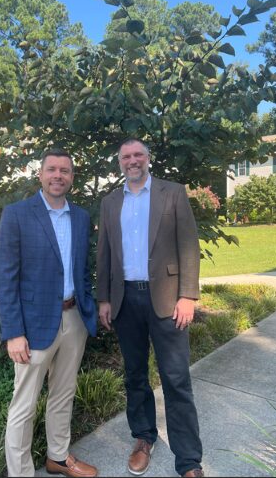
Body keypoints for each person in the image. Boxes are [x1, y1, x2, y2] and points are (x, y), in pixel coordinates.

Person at [97, 138, 204, 478]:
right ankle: (144, 438)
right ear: (120, 162)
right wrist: (104, 298)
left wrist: (188, 295)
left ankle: (188, 460)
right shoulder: (110, 202)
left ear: (148, 158)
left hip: (169, 300)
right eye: (126, 156)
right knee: (135, 375)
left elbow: (189, 244)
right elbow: (103, 254)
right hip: (126, 300)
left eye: (138, 154)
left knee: (176, 379)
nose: (132, 160)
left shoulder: (171, 193)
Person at [0, 149, 98, 478]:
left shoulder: (80, 217)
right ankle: (20, 473)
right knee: (23, 405)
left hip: (73, 319)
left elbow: (82, 270)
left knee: (63, 393)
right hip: (32, 325)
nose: (58, 175)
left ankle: (58, 456)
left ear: (71, 177)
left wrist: (87, 310)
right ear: (39, 174)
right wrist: (13, 332)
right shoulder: (17, 214)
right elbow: (5, 278)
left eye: (65, 170)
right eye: (51, 169)